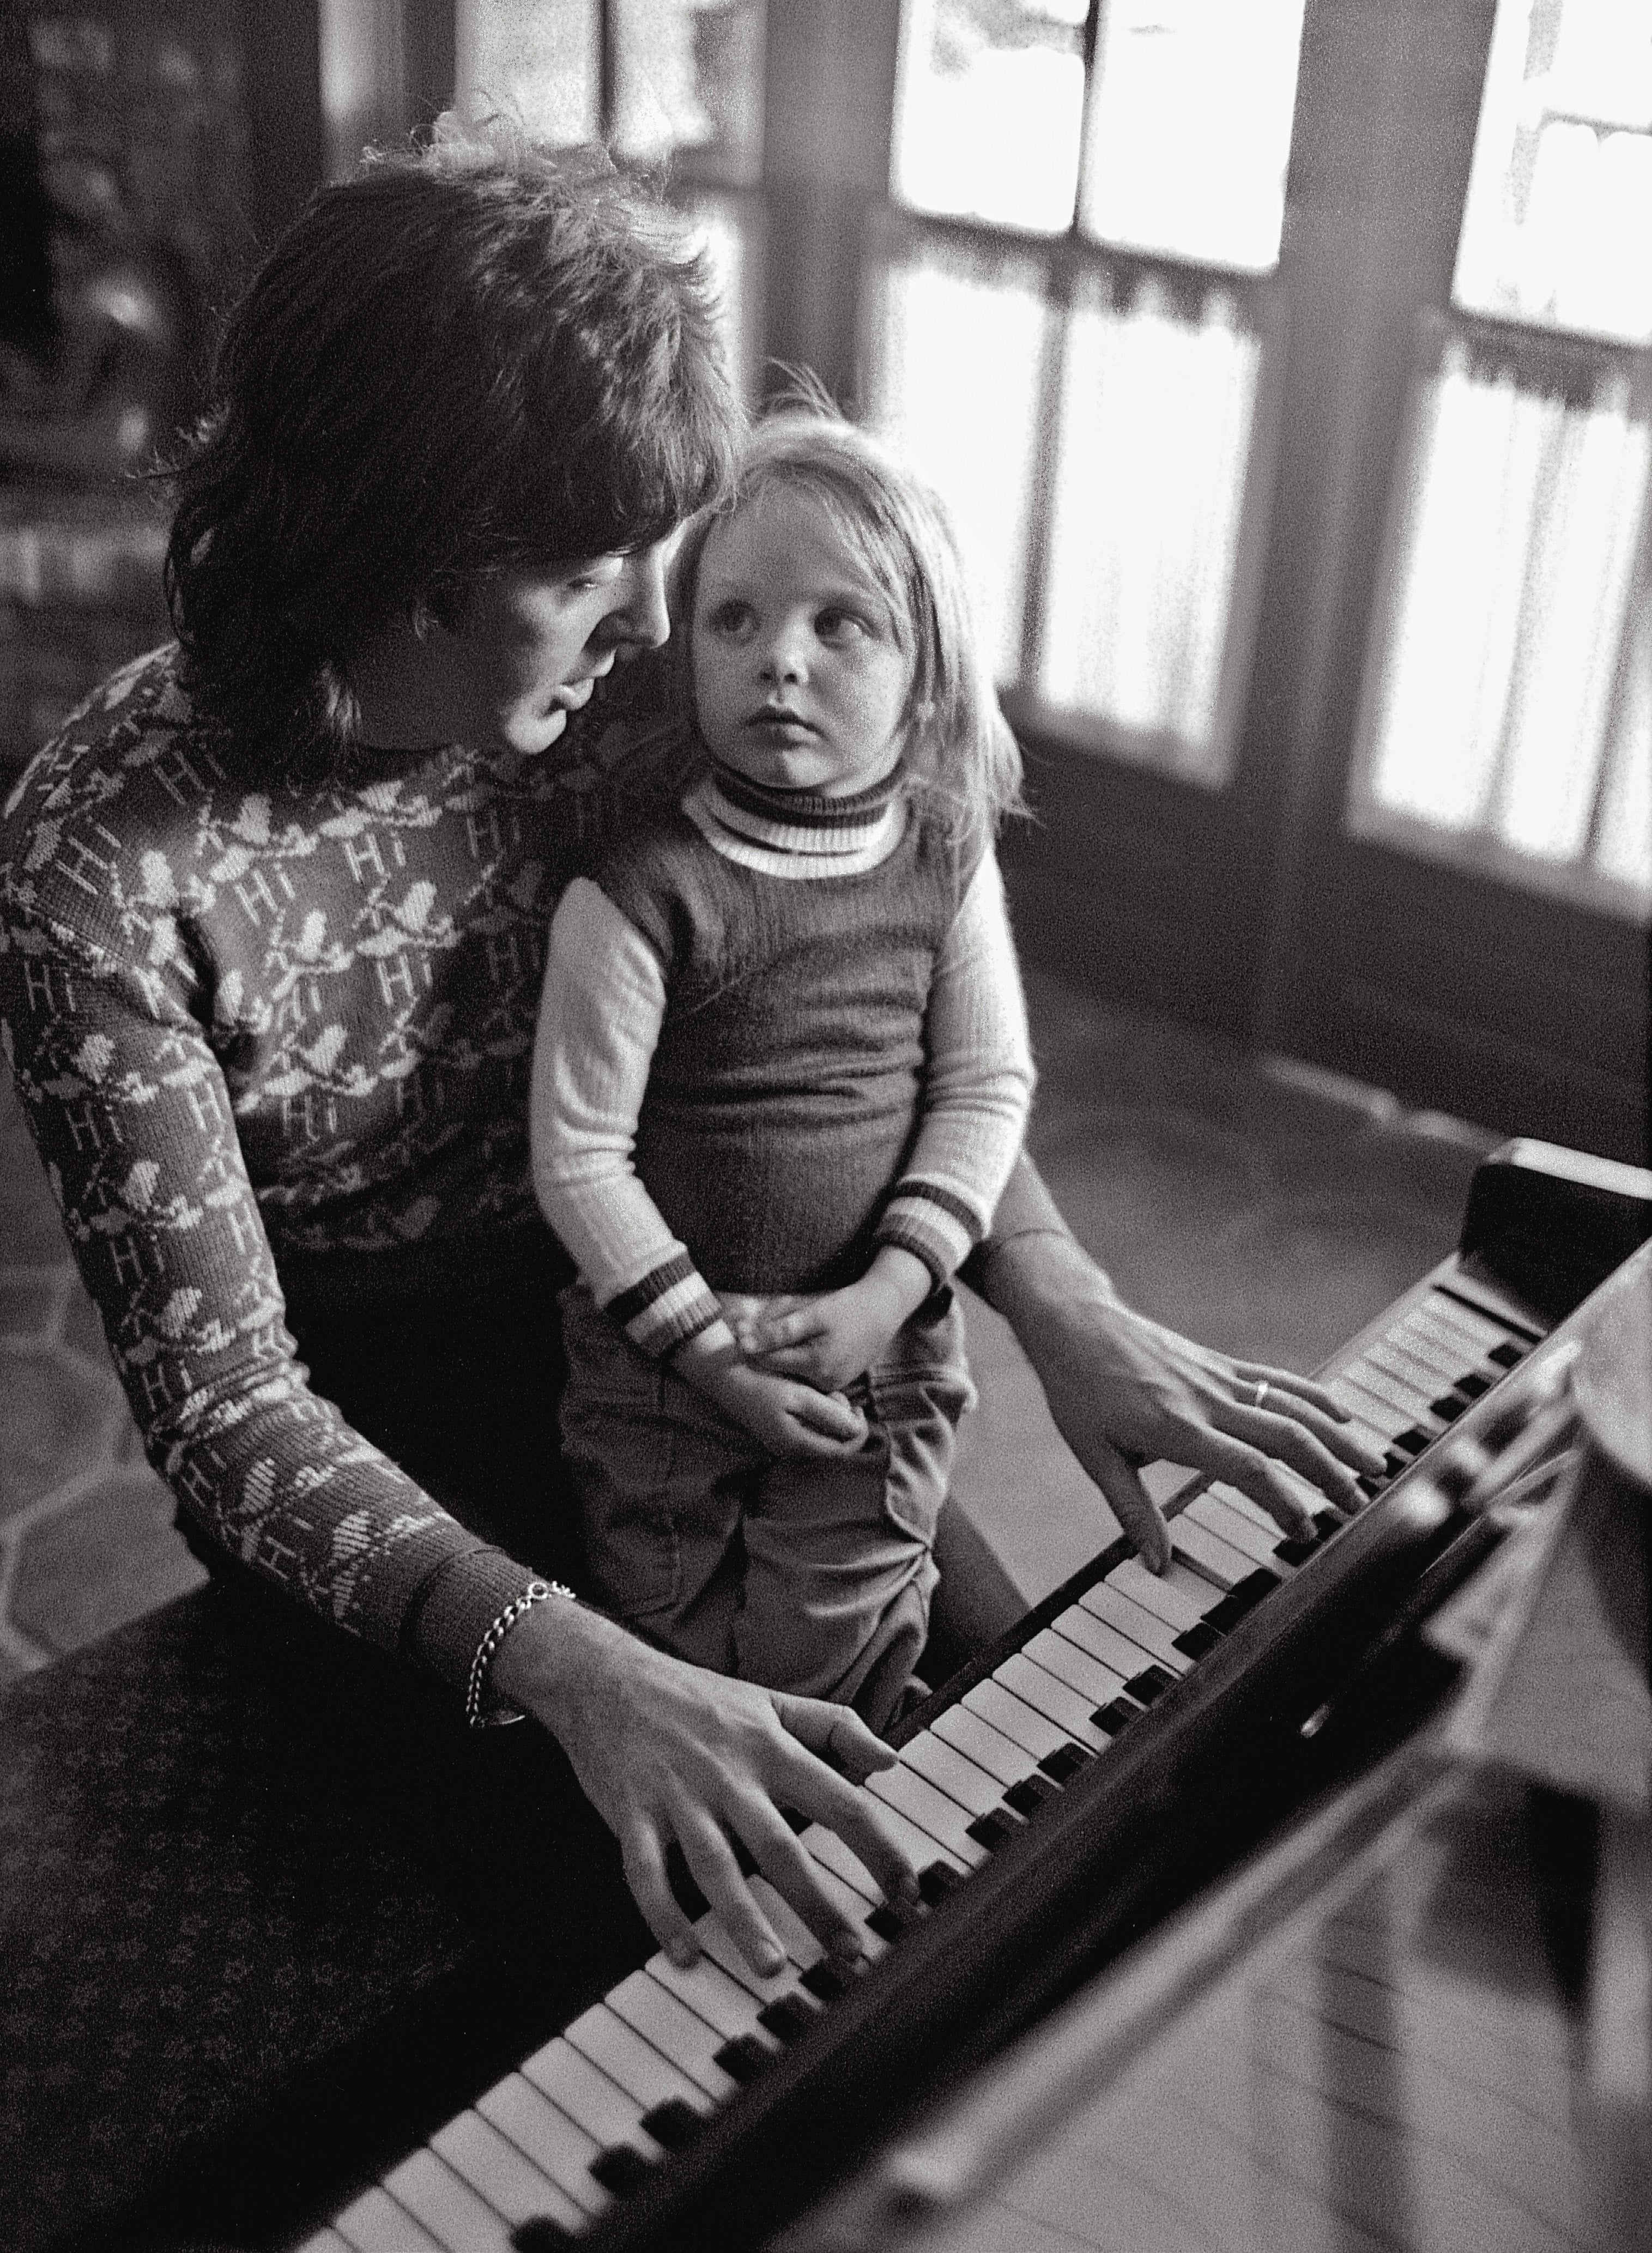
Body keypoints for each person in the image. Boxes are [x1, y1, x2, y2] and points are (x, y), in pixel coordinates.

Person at [0, 119, 1384, 1988]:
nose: (665, 622)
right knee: (693, 1936)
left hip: (711, 1313)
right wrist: (581, 1668)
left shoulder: (617, 690)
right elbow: (231, 1414)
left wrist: (1055, 1296)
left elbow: (862, 1004)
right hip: (379, 1425)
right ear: (423, 574)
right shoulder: (100, 857)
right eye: (592, 573)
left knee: (1022, 1774)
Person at [531, 407, 1034, 1731]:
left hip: (869, 1357)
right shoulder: (641, 891)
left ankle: (851, 1876)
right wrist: (702, 1352)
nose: (780, 664)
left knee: (833, 1650)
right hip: (658, 1374)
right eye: (734, 620)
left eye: (839, 624)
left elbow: (983, 1088)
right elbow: (578, 1154)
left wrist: (890, 1290)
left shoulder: (944, 856)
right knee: (678, 1658)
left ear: (924, 669)